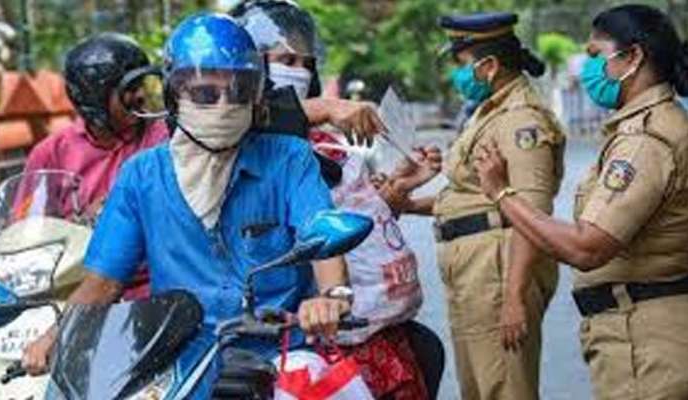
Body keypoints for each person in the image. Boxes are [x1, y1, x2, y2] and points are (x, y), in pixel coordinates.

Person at [21, 14, 353, 399]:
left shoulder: (290, 158)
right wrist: (53, 336)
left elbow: (322, 235)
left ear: (258, 95)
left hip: (280, 355)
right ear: (174, 95)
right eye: (205, 94)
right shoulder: (141, 175)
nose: (224, 105)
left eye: (239, 90)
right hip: (178, 360)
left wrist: (331, 298)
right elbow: (104, 282)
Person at [474, 5, 688, 400]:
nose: (586, 70)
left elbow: (586, 246)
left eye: (594, 55)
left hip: (647, 344)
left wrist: (500, 192)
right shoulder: (649, 127)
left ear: (633, 57)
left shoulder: (646, 141)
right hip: (641, 331)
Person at [233, 2, 444, 398]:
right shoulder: (248, 145)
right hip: (317, 342)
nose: (295, 70)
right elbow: (249, 117)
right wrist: (328, 106)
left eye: (303, 61)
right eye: (283, 59)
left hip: (382, 334)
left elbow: (352, 217)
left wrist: (396, 191)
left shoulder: (327, 144)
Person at [400, 12, 566, 400]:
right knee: (480, 388)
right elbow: (468, 198)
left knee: (504, 389)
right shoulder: (489, 111)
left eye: (461, 66)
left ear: (488, 66)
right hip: (476, 270)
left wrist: (514, 297)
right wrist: (407, 203)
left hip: (500, 269)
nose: (457, 77)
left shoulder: (521, 122)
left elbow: (532, 214)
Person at [24, 33, 168, 300]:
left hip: (154, 290)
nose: (140, 96)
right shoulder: (51, 153)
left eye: (140, 84)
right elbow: (26, 235)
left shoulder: (166, 139)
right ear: (95, 99)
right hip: (76, 292)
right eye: (128, 87)